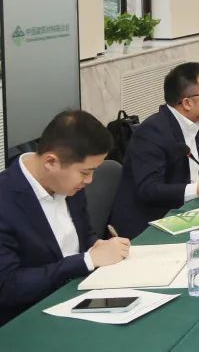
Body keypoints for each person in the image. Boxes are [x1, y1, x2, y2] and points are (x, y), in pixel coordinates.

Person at [0, 111, 131, 326]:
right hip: (29, 320)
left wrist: (97, 245)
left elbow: (84, 234)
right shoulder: (5, 201)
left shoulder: (68, 185)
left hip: (82, 297)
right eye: (85, 172)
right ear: (51, 161)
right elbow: (8, 287)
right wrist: (86, 261)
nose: (89, 181)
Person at [110, 62, 199, 238]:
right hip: (153, 222)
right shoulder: (152, 132)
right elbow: (149, 190)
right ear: (187, 103)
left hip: (195, 211)